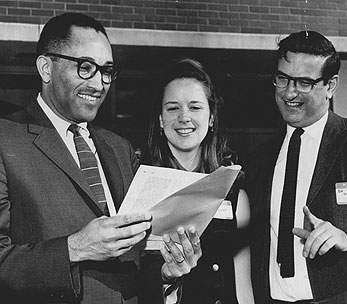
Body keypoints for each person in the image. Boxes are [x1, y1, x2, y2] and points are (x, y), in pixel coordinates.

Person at [0, 13, 201, 303]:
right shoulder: (6, 139)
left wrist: (167, 274)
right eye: (85, 67)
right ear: (46, 68)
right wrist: (74, 248)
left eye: (106, 70)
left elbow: (136, 260)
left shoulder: (119, 148)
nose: (98, 83)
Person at [245, 30, 347, 304]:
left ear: (331, 86)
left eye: (304, 82)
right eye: (282, 79)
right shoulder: (258, 159)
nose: (290, 93)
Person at [140, 58, 254, 304]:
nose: (184, 117)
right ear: (160, 119)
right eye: (172, 108)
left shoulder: (233, 191)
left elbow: (242, 285)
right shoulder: (140, 186)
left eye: (195, 107)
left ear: (211, 117)